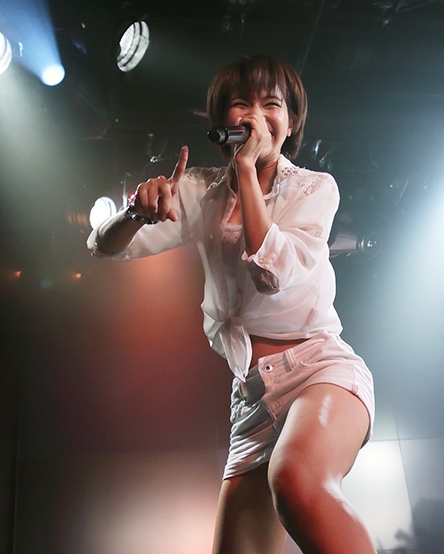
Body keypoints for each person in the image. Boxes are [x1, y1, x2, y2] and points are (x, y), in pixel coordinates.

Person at [87, 54, 376, 554]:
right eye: (242, 104)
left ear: (291, 122)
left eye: (272, 105)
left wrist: (245, 169)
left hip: (318, 370)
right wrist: (135, 212)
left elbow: (273, 272)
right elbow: (104, 247)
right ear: (221, 121)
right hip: (251, 397)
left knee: (296, 481)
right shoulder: (201, 190)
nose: (257, 116)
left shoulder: (314, 188)